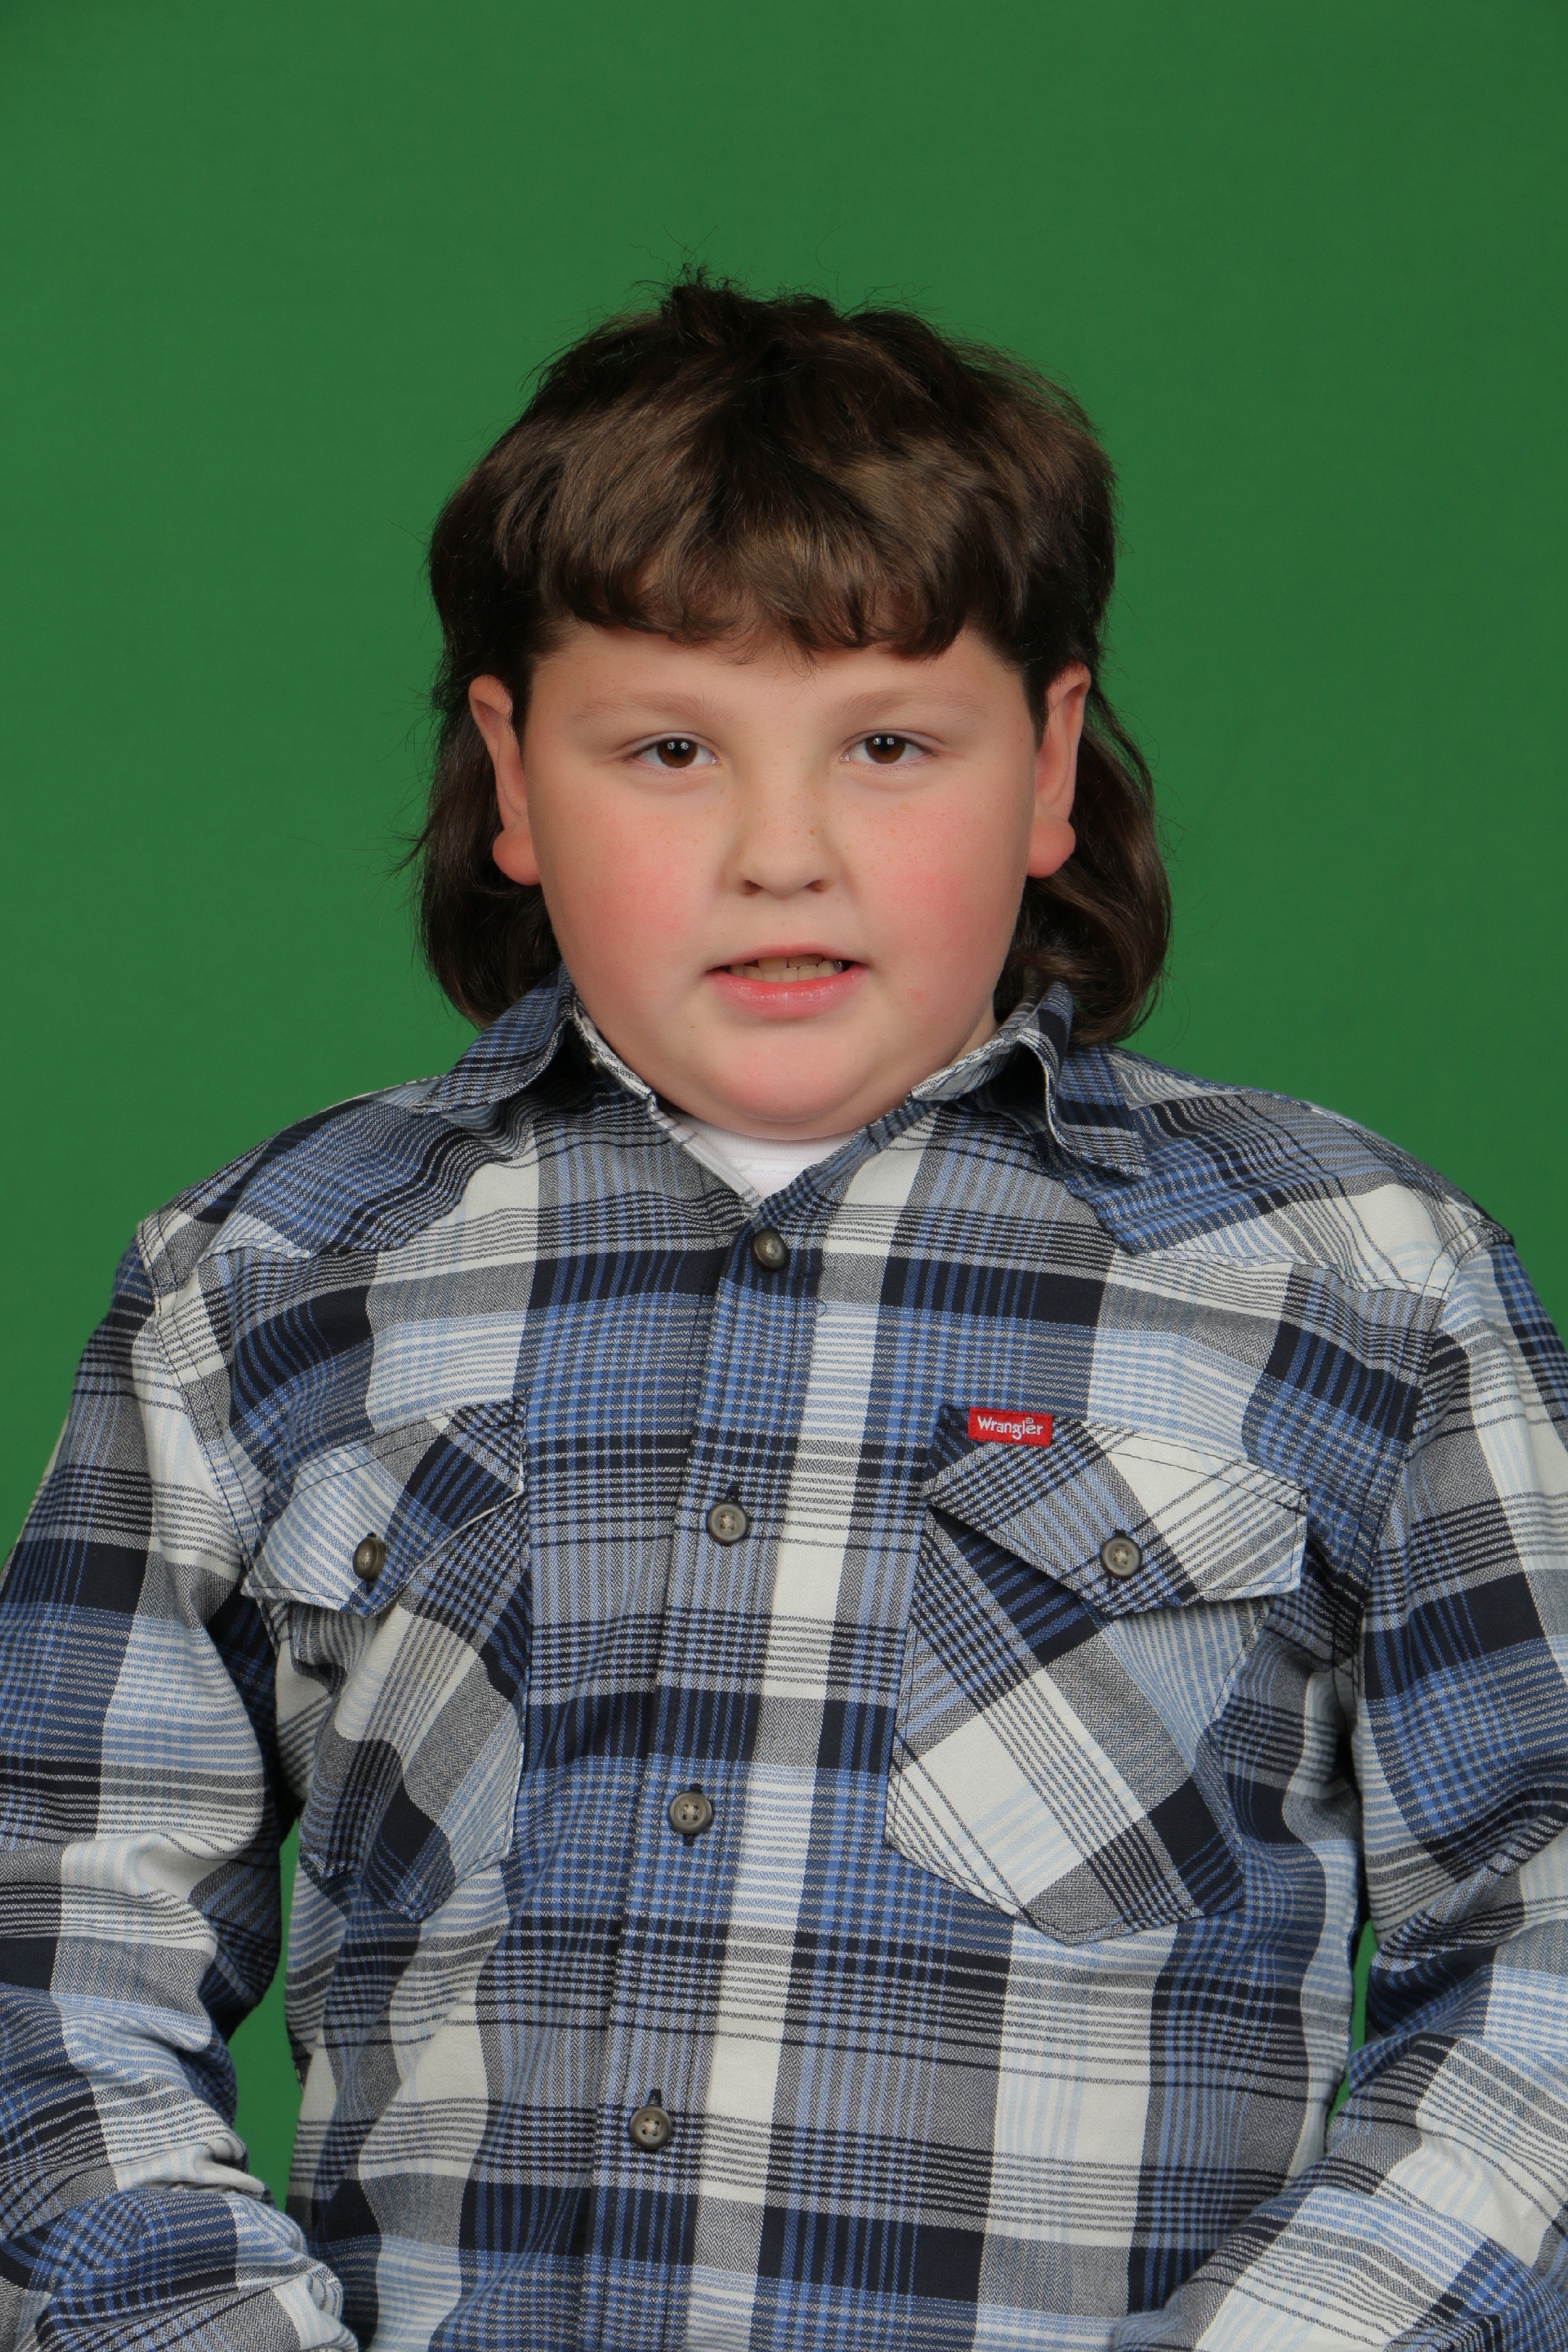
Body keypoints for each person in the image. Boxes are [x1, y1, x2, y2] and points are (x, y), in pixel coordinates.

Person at [1, 275, 1565, 2352]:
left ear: (1050, 765)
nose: (783, 854)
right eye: (670, 749)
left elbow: (1542, 1940)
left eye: (891, 746)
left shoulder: (1359, 1280)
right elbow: (56, 1942)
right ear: (515, 777)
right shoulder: (264, 1278)